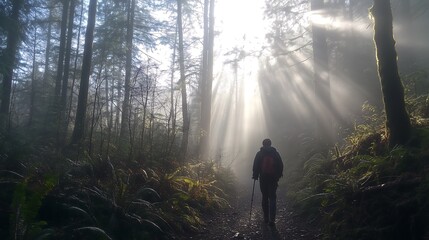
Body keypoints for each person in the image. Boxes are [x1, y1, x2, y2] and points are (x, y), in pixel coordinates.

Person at [252, 138, 283, 226]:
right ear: (270, 144)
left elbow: (255, 166)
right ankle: (272, 219)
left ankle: (266, 217)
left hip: (263, 178)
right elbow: (281, 165)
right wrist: (278, 176)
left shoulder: (259, 154)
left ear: (263, 144)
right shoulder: (275, 153)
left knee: (265, 197)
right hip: (273, 179)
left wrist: (255, 175)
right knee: (272, 197)